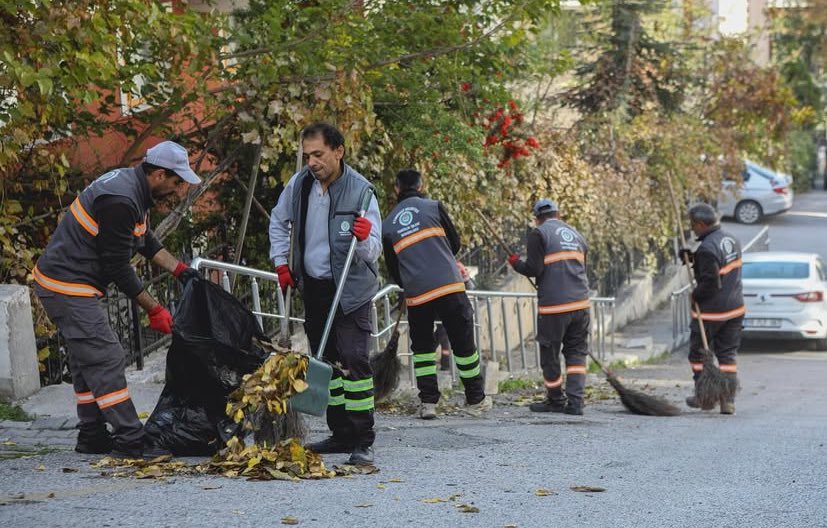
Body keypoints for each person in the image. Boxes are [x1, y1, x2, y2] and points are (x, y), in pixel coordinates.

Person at [33, 140, 202, 458]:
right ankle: (131, 440)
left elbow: (144, 239)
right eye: (177, 182)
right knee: (107, 357)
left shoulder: (133, 188)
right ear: (159, 175)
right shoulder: (121, 200)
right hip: (66, 284)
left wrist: (179, 270)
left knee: (86, 361)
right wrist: (155, 310)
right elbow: (117, 266)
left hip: (69, 281)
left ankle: (92, 435)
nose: (179, 191)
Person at [268, 122, 381, 465]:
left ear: (338, 151)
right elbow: (278, 221)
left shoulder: (361, 192)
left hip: (350, 289)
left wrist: (364, 236)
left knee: (353, 359)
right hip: (314, 286)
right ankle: (341, 433)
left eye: (318, 154)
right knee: (327, 361)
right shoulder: (299, 185)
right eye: (307, 156)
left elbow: (374, 251)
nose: (312, 162)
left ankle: (362, 439)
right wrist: (281, 263)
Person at [382, 169, 492, 420]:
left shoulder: (387, 224)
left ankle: (428, 403)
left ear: (397, 189)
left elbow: (393, 268)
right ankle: (475, 399)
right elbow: (455, 243)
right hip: (448, 285)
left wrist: (410, 280)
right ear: (421, 186)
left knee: (422, 347)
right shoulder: (433, 207)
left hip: (417, 292)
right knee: (463, 341)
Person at [508, 199, 590, 416]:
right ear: (558, 214)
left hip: (555, 306)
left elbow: (534, 269)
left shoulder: (539, 234)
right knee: (576, 352)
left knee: (549, 353)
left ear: (537, 218)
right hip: (581, 303)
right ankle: (576, 402)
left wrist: (516, 262)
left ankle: (555, 400)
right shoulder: (576, 235)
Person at [681, 203, 743, 415]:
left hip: (711, 313)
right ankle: (728, 400)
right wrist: (693, 259)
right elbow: (718, 265)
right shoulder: (731, 239)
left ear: (700, 223)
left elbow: (710, 282)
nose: (692, 228)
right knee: (727, 357)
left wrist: (694, 295)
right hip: (735, 308)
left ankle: (704, 397)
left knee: (698, 356)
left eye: (692, 225)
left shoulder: (707, 249)